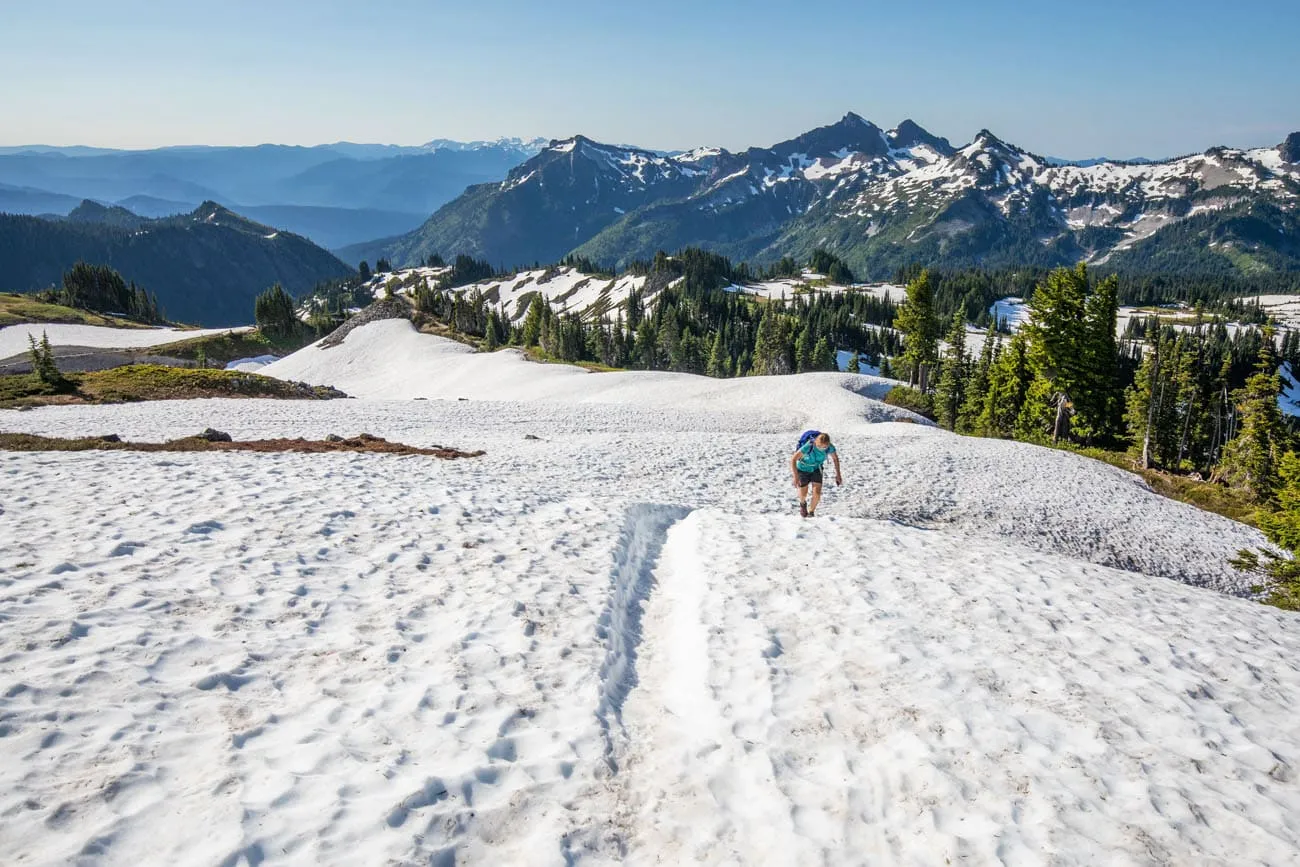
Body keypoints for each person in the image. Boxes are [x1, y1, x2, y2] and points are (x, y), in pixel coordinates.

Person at [790, 432, 842, 517]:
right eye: (819, 446)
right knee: (803, 494)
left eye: (824, 447)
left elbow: (835, 459)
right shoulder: (809, 446)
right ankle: (803, 504)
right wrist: (795, 476)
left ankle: (811, 512)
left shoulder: (830, 447)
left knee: (817, 493)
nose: (822, 448)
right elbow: (793, 459)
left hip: (816, 468)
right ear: (815, 443)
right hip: (803, 469)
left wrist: (838, 475)